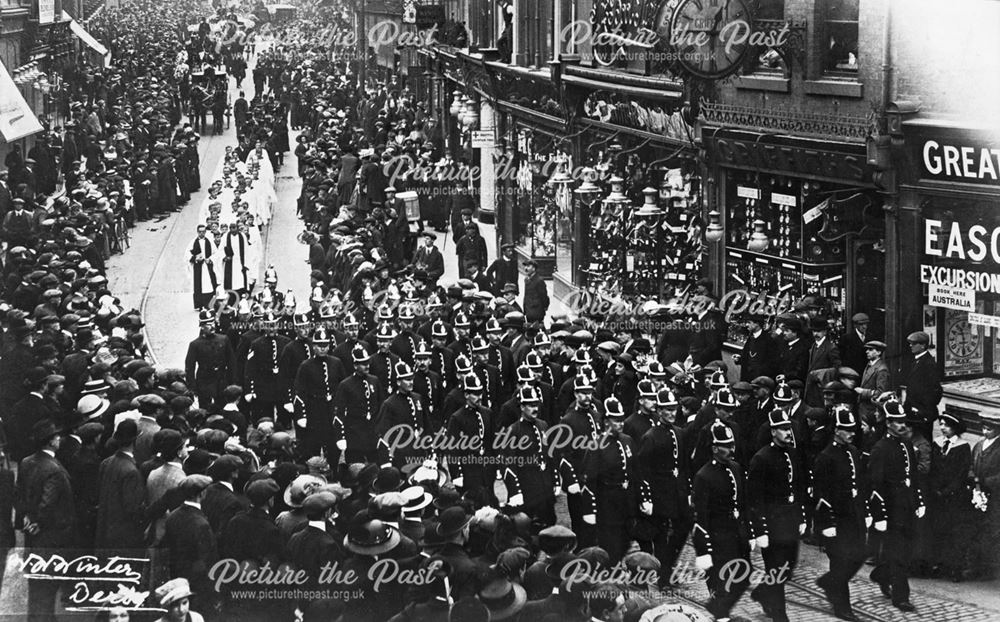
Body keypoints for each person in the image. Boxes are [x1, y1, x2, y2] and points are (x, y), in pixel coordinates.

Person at [746, 409, 806, 622]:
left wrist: (802, 517)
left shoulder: (792, 453)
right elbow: (755, 499)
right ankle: (780, 615)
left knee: (788, 565)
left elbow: (798, 487)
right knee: (777, 568)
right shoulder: (761, 458)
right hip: (772, 523)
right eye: (782, 428)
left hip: (789, 521)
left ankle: (763, 591)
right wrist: (760, 529)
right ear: (773, 432)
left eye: (789, 427)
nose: (788, 432)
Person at [814, 406, 869, 622]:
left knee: (859, 555)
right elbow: (821, 494)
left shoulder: (853, 452)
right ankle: (842, 607)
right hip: (836, 520)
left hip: (853, 517)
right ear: (836, 430)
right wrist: (827, 523)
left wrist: (865, 512)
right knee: (839, 561)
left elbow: (860, 483)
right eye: (847, 429)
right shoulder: (826, 457)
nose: (852, 433)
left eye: (852, 429)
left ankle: (829, 582)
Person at [17, 419, 76, 622]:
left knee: (37, 586)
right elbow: (47, 503)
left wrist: (25, 519)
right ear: (51, 442)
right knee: (47, 588)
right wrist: (38, 521)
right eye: (57, 436)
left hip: (33, 537)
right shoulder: (55, 470)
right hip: (51, 538)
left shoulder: (26, 462)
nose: (59, 439)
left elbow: (21, 496)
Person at [692, 421, 751, 621]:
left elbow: (743, 504)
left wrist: (748, 532)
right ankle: (721, 614)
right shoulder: (704, 476)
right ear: (715, 448)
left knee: (743, 579)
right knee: (721, 582)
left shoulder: (735, 468)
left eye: (732, 445)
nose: (731, 450)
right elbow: (701, 518)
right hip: (718, 539)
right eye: (726, 446)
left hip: (737, 535)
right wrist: (703, 550)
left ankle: (717, 607)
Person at [868, 399, 924, 612]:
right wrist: (880, 515)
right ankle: (901, 597)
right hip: (891, 509)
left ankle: (882, 573)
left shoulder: (906, 444)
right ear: (888, 423)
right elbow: (875, 485)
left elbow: (913, 475)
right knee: (898, 554)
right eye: (897, 421)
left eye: (903, 421)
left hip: (907, 506)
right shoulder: (881, 449)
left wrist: (918, 500)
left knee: (906, 551)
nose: (902, 425)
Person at [184, 311, 236, 411]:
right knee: (204, 409)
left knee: (223, 408)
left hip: (222, 380)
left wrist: (232, 381)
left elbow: (231, 362)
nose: (212, 326)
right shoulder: (195, 344)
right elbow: (190, 367)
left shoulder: (224, 339)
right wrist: (192, 387)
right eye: (208, 324)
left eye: (212, 323)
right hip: (204, 381)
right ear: (202, 327)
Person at [898, 331, 942, 441]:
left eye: (913, 343)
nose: (910, 346)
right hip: (913, 411)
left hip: (922, 414)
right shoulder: (916, 361)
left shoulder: (928, 363)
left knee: (923, 441)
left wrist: (922, 409)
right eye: (910, 343)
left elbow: (936, 390)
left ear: (922, 345)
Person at [189, 225, 218, 310]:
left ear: (205, 232)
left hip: (207, 266)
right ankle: (199, 304)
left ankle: (209, 304)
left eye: (203, 231)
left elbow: (216, 253)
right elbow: (187, 255)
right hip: (198, 266)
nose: (202, 233)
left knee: (209, 285)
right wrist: (196, 258)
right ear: (197, 232)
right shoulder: (192, 242)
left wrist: (210, 259)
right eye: (200, 231)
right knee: (199, 285)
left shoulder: (210, 242)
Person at [522, 260, 549, 324]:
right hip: (528, 310)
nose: (526, 268)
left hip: (536, 311)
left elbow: (544, 296)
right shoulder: (527, 279)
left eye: (528, 266)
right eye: (525, 266)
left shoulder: (539, 280)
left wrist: (544, 307)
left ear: (534, 268)